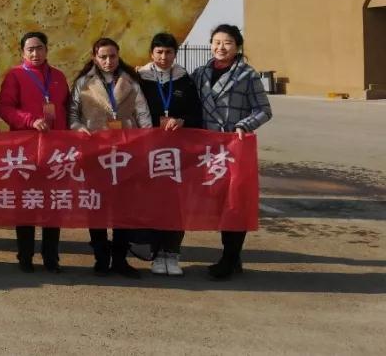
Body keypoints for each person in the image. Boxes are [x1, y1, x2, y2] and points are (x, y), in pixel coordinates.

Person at [191, 23, 272, 281]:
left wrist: (243, 125)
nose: (221, 47)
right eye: (216, 42)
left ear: (237, 46)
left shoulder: (247, 75)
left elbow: (264, 110)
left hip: (234, 147)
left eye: (227, 43)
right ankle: (233, 258)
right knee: (216, 202)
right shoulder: (200, 73)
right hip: (207, 149)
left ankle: (230, 257)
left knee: (234, 202)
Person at [69, 37, 151, 277]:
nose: (108, 61)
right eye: (103, 57)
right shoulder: (83, 83)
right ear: (94, 58)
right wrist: (78, 128)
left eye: (112, 56)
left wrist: (145, 143)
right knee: (96, 206)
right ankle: (101, 257)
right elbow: (73, 114)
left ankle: (120, 260)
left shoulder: (131, 82)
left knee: (123, 208)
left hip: (126, 152)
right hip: (95, 153)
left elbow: (143, 115)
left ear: (118, 56)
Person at [0, 31, 69, 273]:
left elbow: (66, 108)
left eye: (39, 48)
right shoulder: (15, 75)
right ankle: (25, 256)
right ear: (23, 52)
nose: (35, 53)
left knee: (53, 204)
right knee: (26, 203)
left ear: (47, 50)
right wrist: (30, 120)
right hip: (25, 149)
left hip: (55, 150)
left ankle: (51, 257)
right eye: (30, 49)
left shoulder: (58, 77)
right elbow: (4, 108)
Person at [137, 32, 203, 277]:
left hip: (178, 153)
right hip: (149, 152)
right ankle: (156, 254)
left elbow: (197, 114)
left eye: (168, 52)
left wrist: (182, 120)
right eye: (159, 52)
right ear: (151, 53)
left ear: (175, 54)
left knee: (177, 205)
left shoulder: (185, 80)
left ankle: (172, 254)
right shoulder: (140, 80)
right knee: (154, 204)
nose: (164, 57)